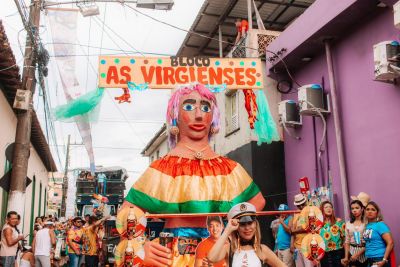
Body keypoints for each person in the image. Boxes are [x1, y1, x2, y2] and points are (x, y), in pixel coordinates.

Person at [120, 83, 266, 267]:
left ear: (212, 117)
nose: (198, 115)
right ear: (175, 115)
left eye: (205, 107)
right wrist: (140, 246)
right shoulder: (162, 168)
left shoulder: (230, 168)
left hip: (218, 253)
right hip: (173, 256)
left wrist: (233, 234)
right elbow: (128, 210)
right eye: (189, 107)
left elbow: (257, 201)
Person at [207, 202, 284, 267]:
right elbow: (211, 258)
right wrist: (227, 230)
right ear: (236, 227)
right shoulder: (229, 249)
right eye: (242, 224)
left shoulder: (262, 250)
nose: (247, 228)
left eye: (250, 223)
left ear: (255, 224)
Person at [363, 201, 394, 267]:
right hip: (369, 258)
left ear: (377, 213)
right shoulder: (367, 226)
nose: (370, 211)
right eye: (367, 209)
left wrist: (384, 260)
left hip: (379, 258)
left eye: (373, 209)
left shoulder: (380, 225)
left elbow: (390, 243)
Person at [341, 199, 368, 267]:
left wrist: (358, 254)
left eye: (357, 208)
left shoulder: (367, 223)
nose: (354, 210)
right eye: (352, 208)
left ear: (362, 209)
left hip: (365, 252)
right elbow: (347, 241)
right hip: (352, 251)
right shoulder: (348, 223)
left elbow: (369, 242)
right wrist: (346, 257)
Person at [318, 201, 345, 267]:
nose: (329, 209)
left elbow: (345, 239)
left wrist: (346, 256)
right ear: (322, 209)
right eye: (326, 207)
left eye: (330, 207)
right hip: (324, 254)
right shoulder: (318, 224)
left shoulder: (339, 221)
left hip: (338, 253)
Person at [290, 194, 313, 267]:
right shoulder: (296, 213)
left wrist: (294, 231)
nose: (300, 207)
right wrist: (291, 244)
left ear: (305, 202)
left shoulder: (310, 211)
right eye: (298, 205)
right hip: (297, 246)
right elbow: (292, 230)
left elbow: (307, 227)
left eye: (302, 204)